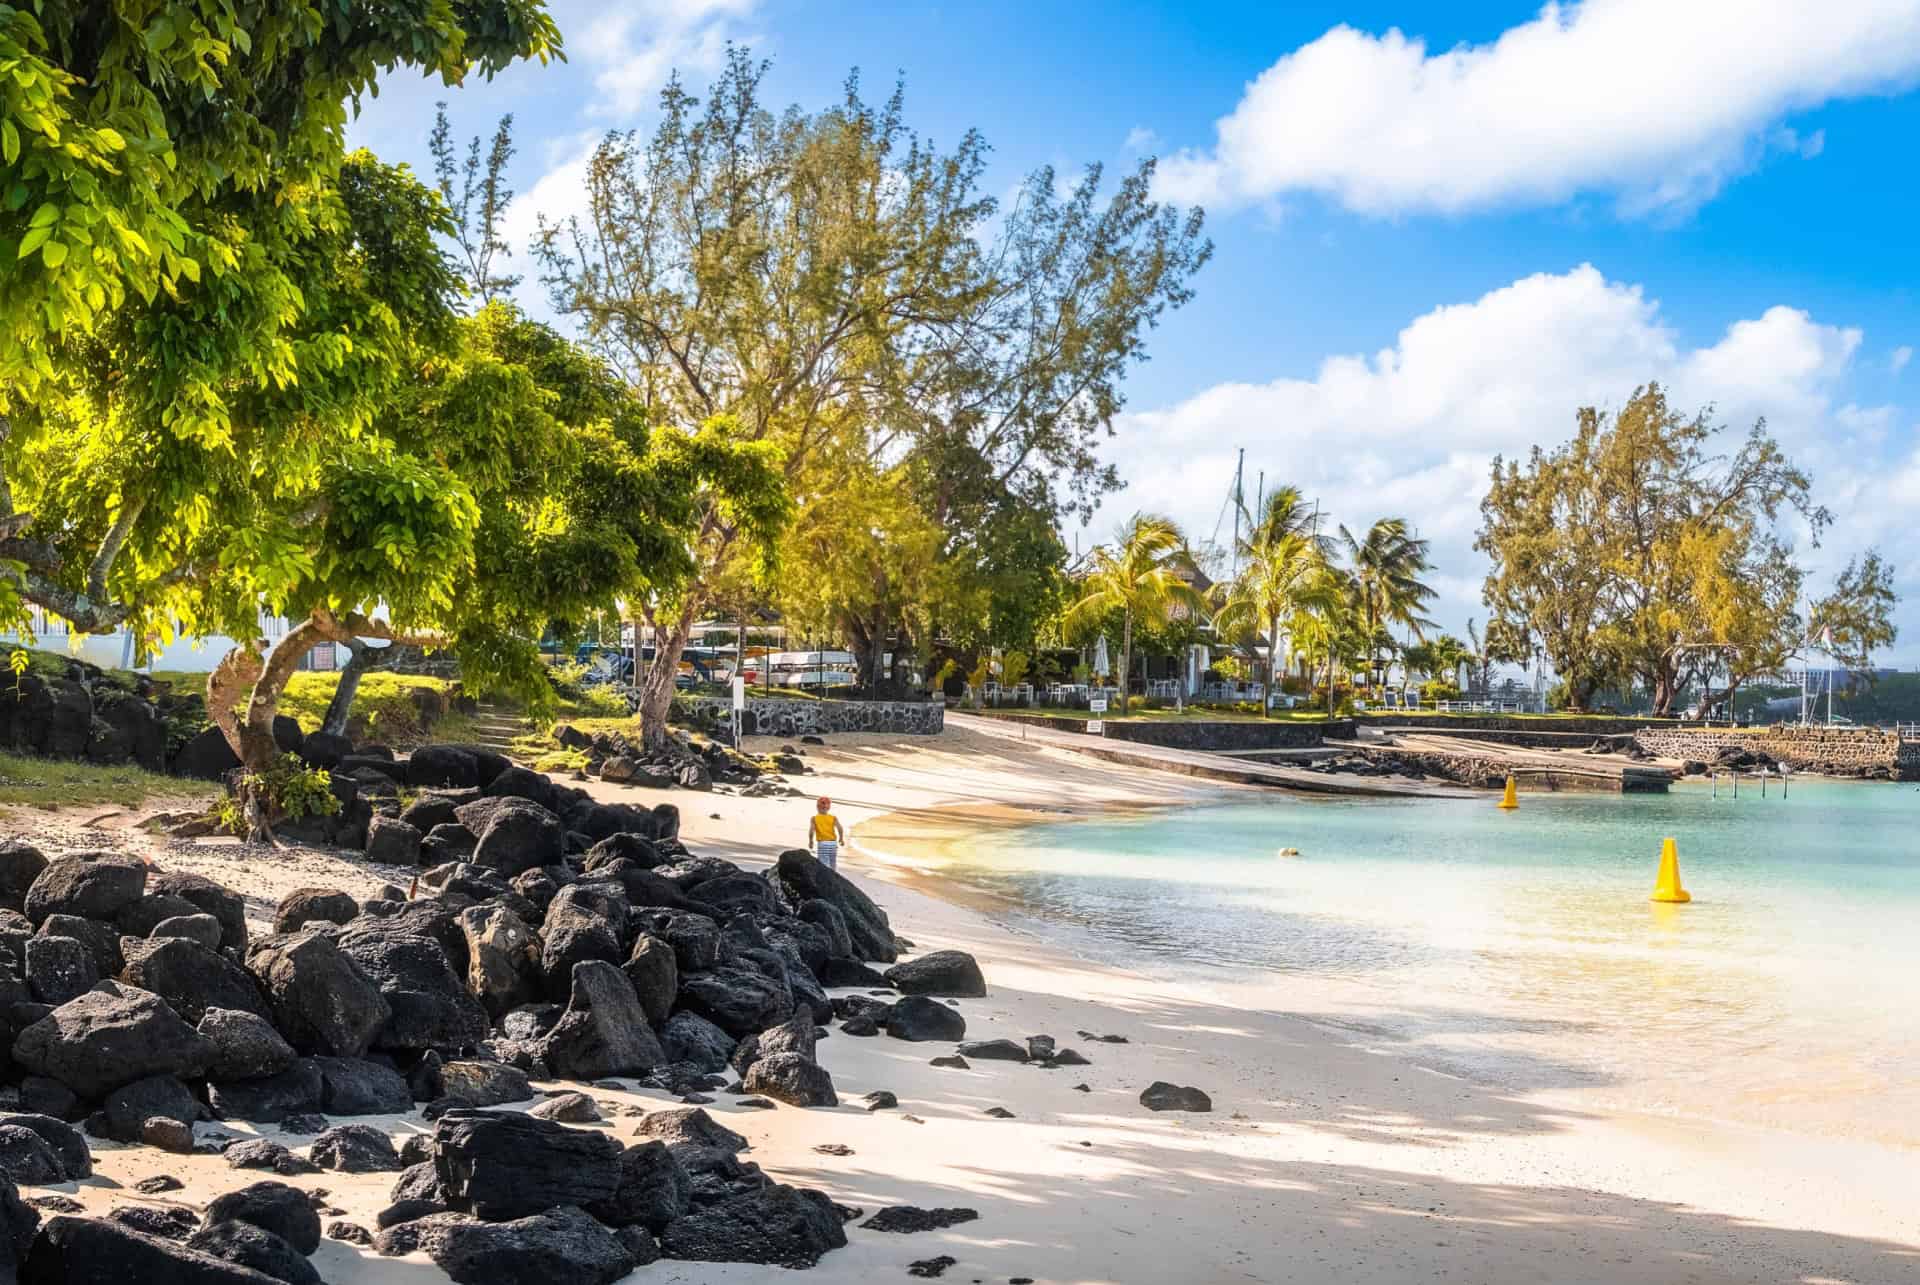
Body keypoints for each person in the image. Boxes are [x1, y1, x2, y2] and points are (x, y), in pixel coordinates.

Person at [808, 796, 845, 870]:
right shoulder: (833, 817)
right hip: (833, 844)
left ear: (817, 806)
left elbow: (811, 831)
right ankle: (834, 877)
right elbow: (840, 828)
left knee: (823, 865)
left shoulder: (814, 818)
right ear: (829, 807)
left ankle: (826, 879)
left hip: (823, 844)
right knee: (832, 863)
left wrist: (811, 841)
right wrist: (841, 838)